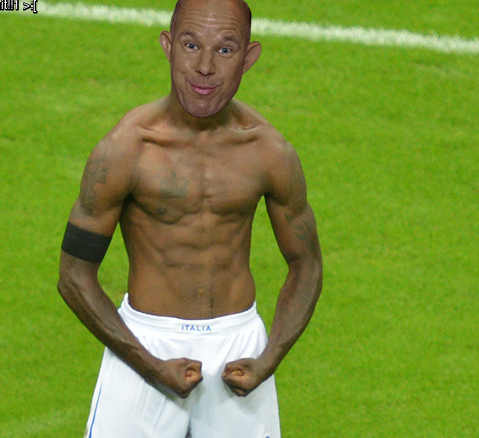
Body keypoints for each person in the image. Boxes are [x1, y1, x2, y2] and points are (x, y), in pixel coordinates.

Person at [57, 0, 323, 436]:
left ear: (249, 58)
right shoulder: (126, 149)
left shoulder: (268, 152)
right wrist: (149, 363)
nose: (204, 67)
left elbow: (306, 264)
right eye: (191, 44)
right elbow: (73, 274)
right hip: (144, 343)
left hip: (239, 349)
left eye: (225, 50)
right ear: (168, 46)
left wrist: (268, 358)